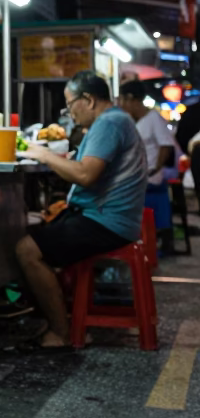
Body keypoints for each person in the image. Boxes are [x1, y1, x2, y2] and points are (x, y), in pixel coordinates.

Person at [17, 71, 147, 350]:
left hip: (106, 222)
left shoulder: (109, 123)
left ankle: (60, 333)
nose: (69, 113)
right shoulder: (115, 121)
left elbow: (86, 175)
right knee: (37, 230)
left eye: (70, 104)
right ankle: (59, 318)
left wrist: (44, 155)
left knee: (27, 250)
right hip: (109, 218)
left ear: (88, 100)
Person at [118, 79, 177, 254]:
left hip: (150, 177)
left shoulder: (153, 118)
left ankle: (143, 240)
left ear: (132, 99)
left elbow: (166, 146)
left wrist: (155, 169)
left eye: (122, 100)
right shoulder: (137, 121)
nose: (121, 104)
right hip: (141, 175)